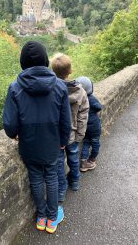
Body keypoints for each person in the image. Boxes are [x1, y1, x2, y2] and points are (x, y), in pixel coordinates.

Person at [3, 41, 71, 233]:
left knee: (35, 178)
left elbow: (9, 124)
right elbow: (66, 121)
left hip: (29, 145)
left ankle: (40, 217)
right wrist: (63, 141)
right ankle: (51, 219)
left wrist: (15, 134)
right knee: (51, 177)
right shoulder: (59, 86)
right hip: (52, 144)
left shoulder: (15, 87)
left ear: (22, 62)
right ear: (45, 60)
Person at [51, 53, 89, 202]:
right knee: (73, 159)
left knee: (59, 164)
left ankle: (61, 192)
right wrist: (80, 133)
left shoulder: (51, 91)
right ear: (70, 71)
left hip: (58, 136)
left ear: (52, 71)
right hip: (73, 134)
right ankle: (75, 182)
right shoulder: (80, 91)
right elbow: (83, 115)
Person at [76, 76, 102, 172]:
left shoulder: (78, 99)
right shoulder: (91, 98)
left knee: (86, 142)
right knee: (95, 143)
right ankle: (92, 159)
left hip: (84, 126)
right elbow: (99, 107)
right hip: (94, 127)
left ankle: (83, 163)